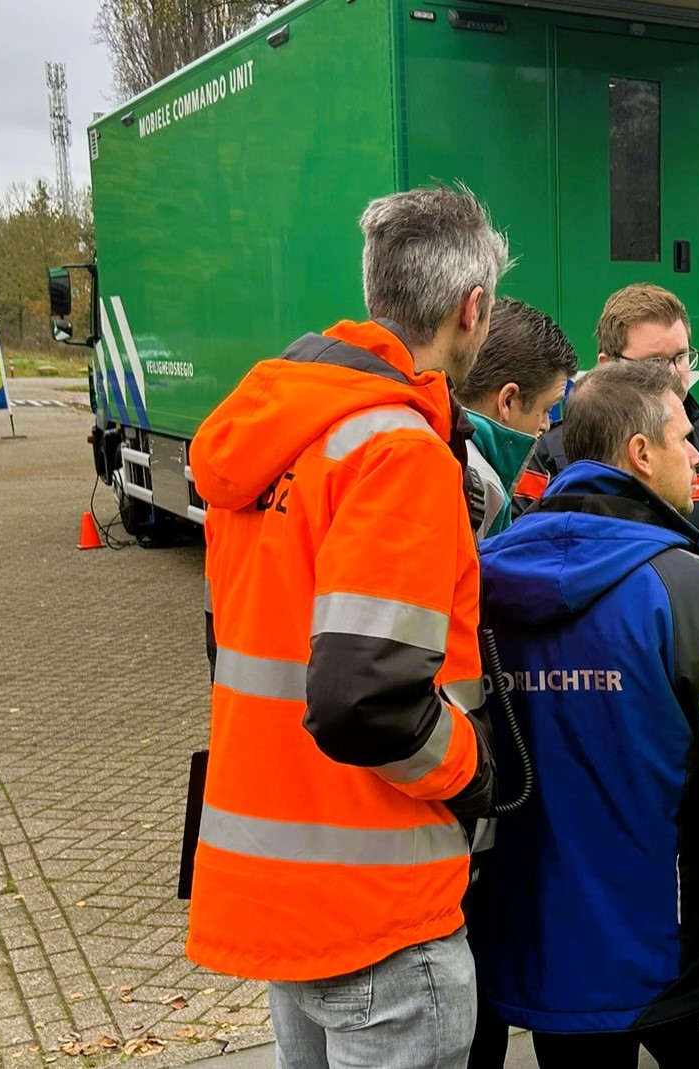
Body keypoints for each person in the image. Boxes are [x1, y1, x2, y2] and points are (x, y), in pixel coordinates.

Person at [187, 184, 505, 1069]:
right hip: (381, 907)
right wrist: (474, 766)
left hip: (288, 893)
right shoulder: (396, 451)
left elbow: (253, 647)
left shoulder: (282, 434)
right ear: (469, 310)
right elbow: (364, 698)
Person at [473, 359, 699, 1069]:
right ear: (641, 453)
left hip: (550, 956)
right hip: (690, 956)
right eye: (683, 436)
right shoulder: (696, 588)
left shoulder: (482, 577)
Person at [513, 283, 699, 602]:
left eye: (681, 357)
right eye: (654, 363)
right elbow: (526, 561)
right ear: (607, 364)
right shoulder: (553, 453)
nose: (673, 374)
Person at [455, 297, 578, 540]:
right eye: (546, 409)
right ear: (508, 401)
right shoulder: (480, 488)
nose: (547, 424)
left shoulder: (428, 436)